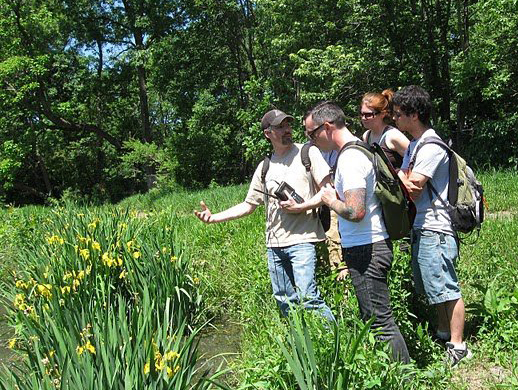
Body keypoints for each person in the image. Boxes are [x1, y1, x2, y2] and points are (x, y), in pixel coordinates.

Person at [194, 109, 335, 323]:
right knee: (284, 299)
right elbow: (248, 205)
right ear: (267, 133)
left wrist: (301, 206)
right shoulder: (264, 166)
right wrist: (214, 218)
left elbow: (327, 192)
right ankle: (300, 343)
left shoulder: (308, 153)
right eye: (280, 127)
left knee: (309, 298)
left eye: (288, 125)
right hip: (274, 245)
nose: (287, 130)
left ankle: (334, 343)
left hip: (303, 240)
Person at [302, 101, 410, 363]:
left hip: (367, 248)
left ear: (326, 127)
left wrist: (330, 200)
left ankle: (406, 378)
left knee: (379, 321)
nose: (312, 141)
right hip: (370, 244)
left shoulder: (349, 159)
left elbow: (355, 211)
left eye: (312, 134)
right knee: (375, 316)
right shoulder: (360, 149)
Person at [393, 85, 471, 366]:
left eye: (399, 114)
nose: (395, 119)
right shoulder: (414, 145)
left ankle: (459, 345)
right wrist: (403, 174)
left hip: (438, 227)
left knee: (447, 287)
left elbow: (413, 188)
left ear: (414, 115)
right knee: (432, 285)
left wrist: (397, 174)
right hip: (423, 225)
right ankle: (443, 332)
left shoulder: (432, 145)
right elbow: (407, 177)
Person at [360, 89, 409, 169]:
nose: (363, 118)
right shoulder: (366, 136)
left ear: (382, 114)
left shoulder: (393, 136)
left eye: (368, 115)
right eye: (362, 114)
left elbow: (415, 160)